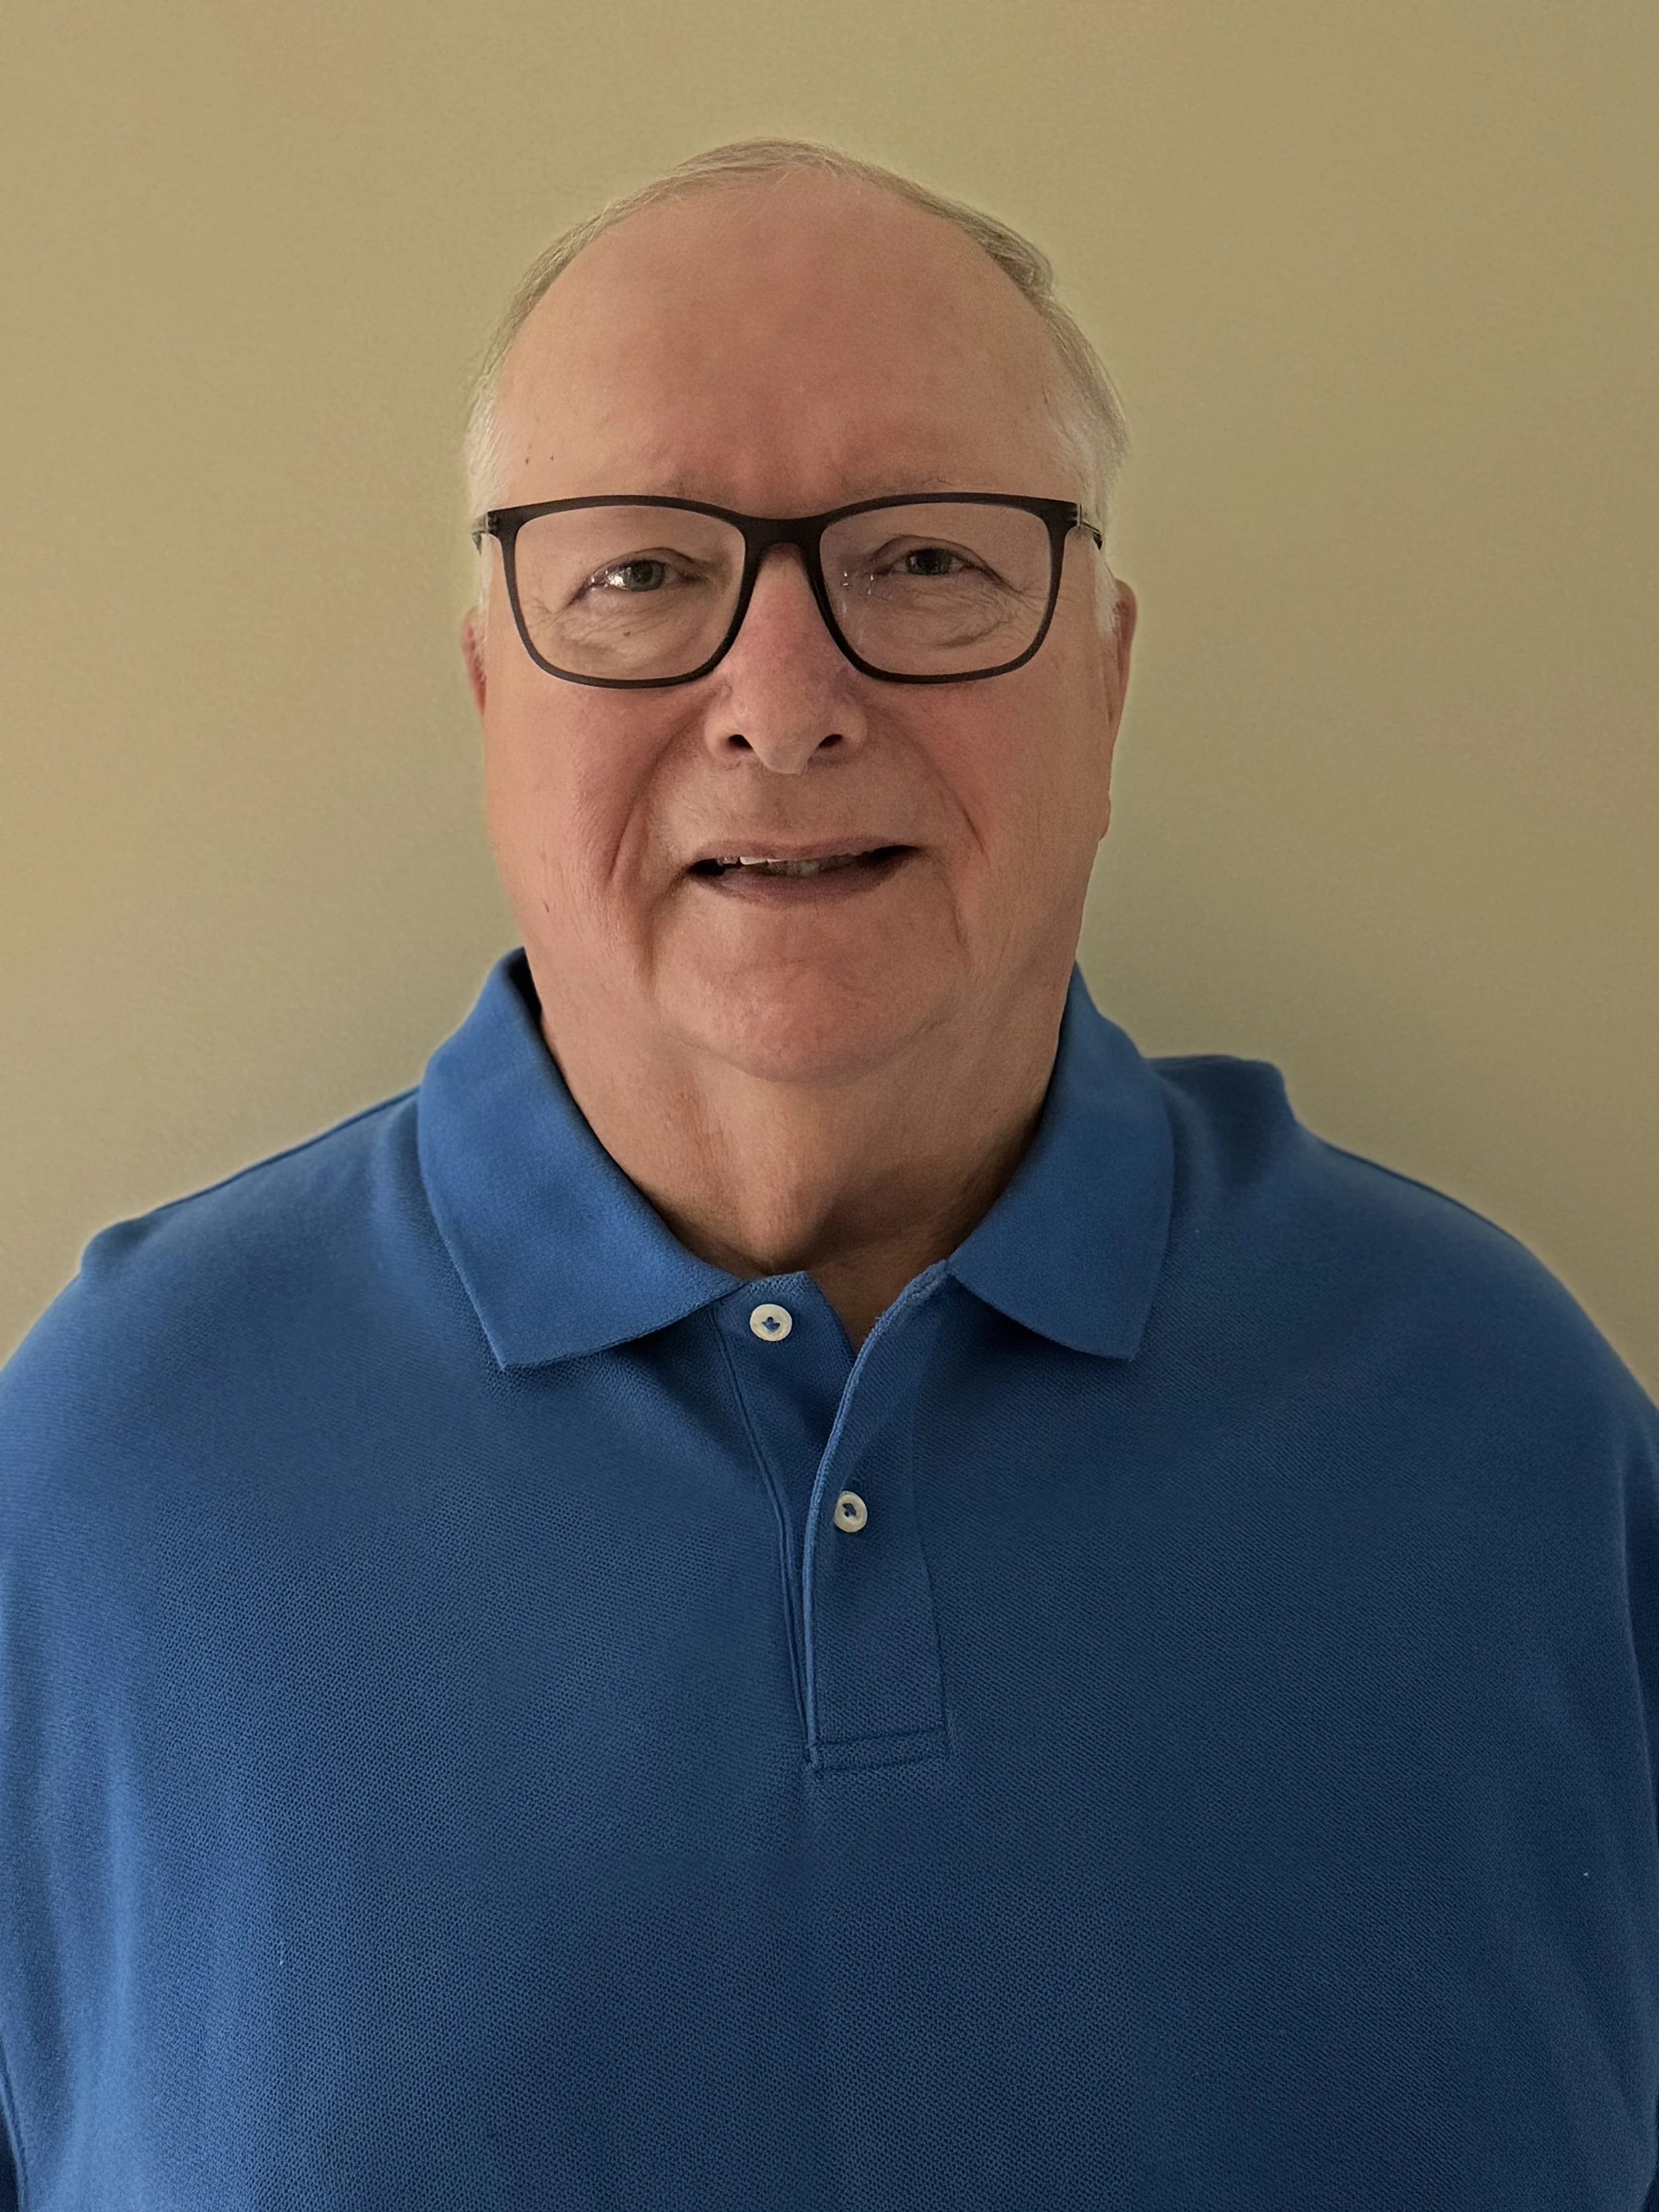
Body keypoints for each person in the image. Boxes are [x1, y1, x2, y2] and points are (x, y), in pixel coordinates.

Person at [1, 137, 1654, 2212]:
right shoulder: (103, 1473)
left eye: (928, 562)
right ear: (489, 684)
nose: (780, 704)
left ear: (1108, 676)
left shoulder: (1502, 1425)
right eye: (638, 572)